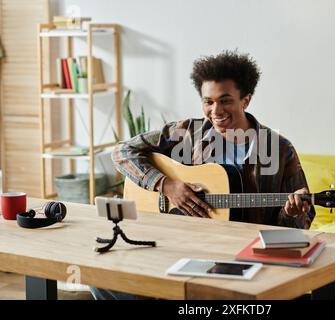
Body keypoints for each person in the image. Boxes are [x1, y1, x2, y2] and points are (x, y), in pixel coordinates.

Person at [90, 51, 315, 300]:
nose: (216, 110)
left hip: (245, 257)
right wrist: (167, 185)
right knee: (101, 278)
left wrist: (292, 212)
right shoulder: (187, 133)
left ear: (246, 100)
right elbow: (123, 152)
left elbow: (297, 228)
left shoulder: (279, 149)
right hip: (185, 246)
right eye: (208, 101)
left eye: (226, 100)